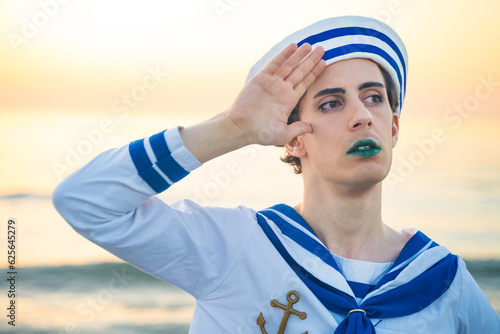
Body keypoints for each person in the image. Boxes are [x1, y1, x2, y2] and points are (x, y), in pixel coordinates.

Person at [53, 16, 500, 333]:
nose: (362, 116)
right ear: (292, 139)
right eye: (331, 103)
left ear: (395, 128)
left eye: (374, 98)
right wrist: (230, 129)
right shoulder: (233, 248)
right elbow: (84, 201)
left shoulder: (443, 280)